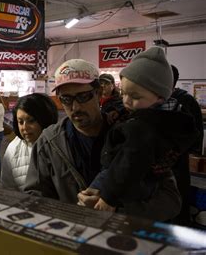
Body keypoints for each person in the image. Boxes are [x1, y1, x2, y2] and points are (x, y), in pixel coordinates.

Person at [88, 47, 197, 221]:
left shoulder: (143, 127)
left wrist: (109, 197)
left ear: (160, 97)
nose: (126, 101)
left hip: (124, 182)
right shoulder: (171, 116)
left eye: (135, 96)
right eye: (123, 93)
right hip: (140, 183)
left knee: (91, 210)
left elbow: (130, 161)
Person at [24, 59, 109, 203]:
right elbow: (35, 198)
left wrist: (114, 202)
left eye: (83, 97)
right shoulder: (48, 143)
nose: (75, 107)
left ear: (99, 93)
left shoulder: (128, 135)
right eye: (66, 99)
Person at [1, 93, 58, 191]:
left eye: (31, 121)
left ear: (45, 119)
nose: (24, 128)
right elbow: (8, 189)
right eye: (20, 122)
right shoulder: (13, 149)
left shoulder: (61, 144)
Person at [171, 64, 204, 225]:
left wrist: (189, 151)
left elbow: (196, 130)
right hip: (160, 161)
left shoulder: (185, 100)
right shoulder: (157, 99)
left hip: (178, 159)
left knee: (180, 193)